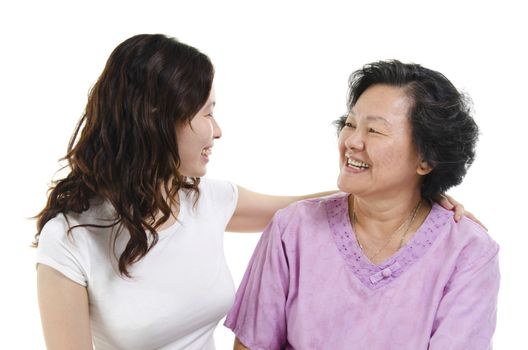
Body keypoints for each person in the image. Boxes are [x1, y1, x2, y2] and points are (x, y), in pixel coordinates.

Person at [34, 35, 469, 350]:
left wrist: (418, 195)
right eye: (206, 114)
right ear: (156, 120)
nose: (217, 131)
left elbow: (314, 209)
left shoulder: (206, 199)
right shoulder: (70, 238)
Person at [225, 60, 499, 349]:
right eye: (350, 124)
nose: (352, 141)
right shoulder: (292, 229)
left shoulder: (468, 251)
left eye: (374, 131)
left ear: (426, 159)